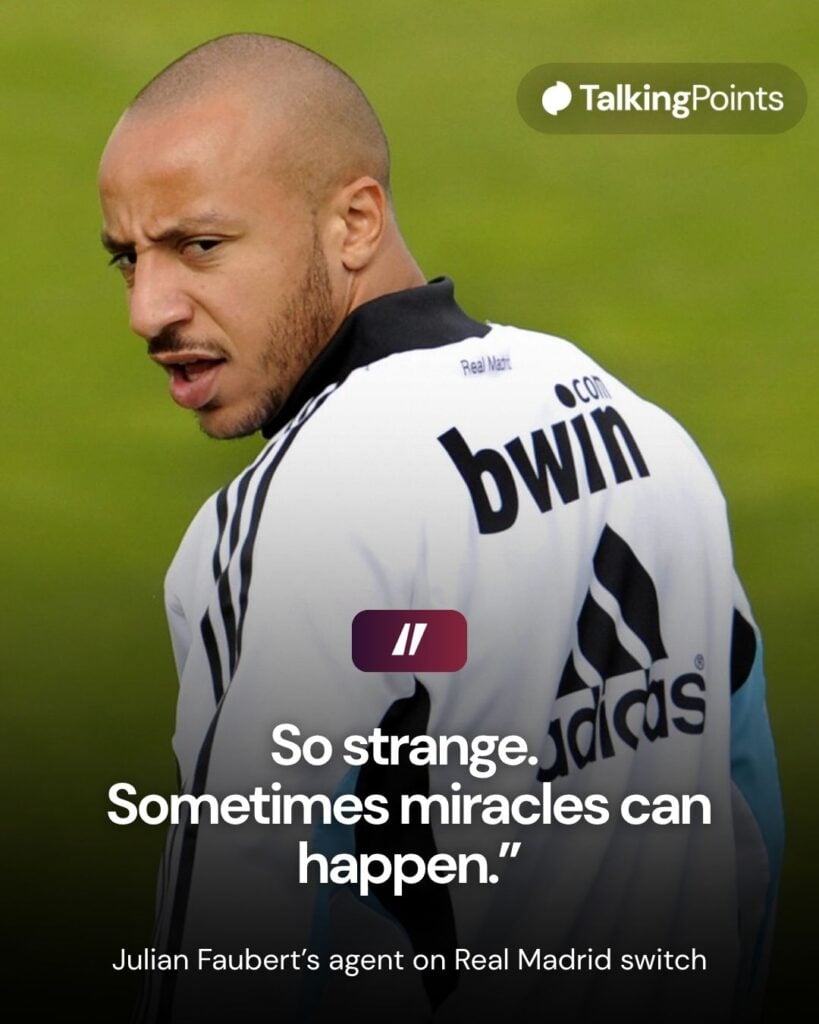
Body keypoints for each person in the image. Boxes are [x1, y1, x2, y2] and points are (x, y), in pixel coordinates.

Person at [98, 33, 783, 1024]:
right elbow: (745, 805)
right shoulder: (639, 428)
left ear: (354, 222)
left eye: (200, 245)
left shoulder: (304, 507)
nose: (147, 310)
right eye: (127, 258)